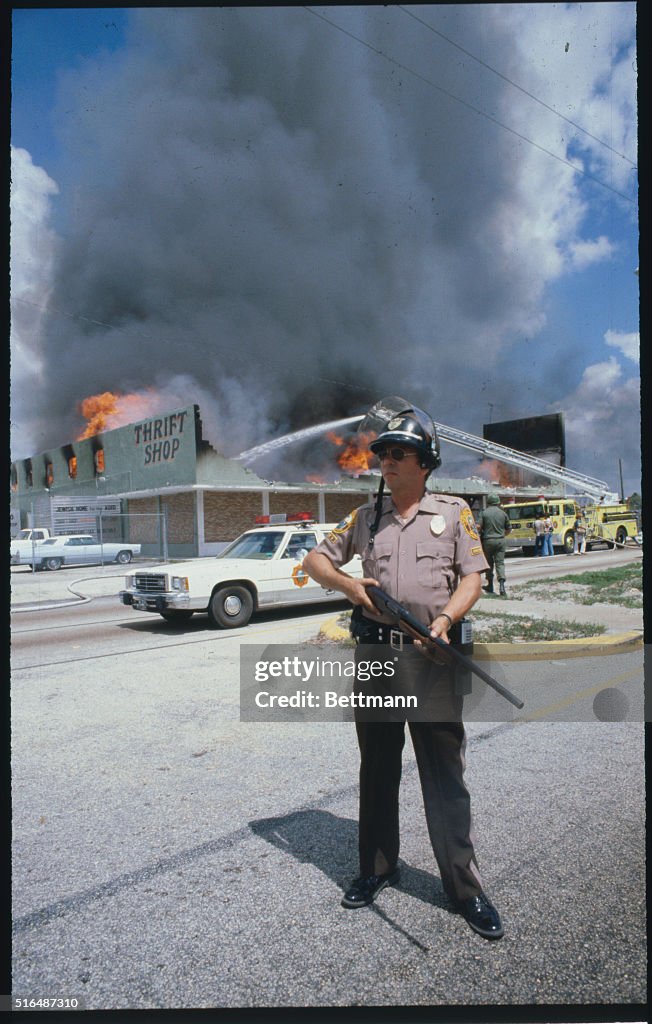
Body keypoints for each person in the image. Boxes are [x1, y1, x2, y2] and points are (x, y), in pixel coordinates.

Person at [303, 404, 504, 940]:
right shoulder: (366, 518)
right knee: (377, 770)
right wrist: (351, 587)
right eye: (383, 454)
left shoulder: (454, 511)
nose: (386, 462)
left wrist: (444, 619)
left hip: (433, 657)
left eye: (398, 454)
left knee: (444, 777)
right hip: (376, 659)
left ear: (425, 463)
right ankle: (376, 868)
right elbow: (314, 562)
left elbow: (473, 580)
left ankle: (465, 889)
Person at [478, 493, 511, 596]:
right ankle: (501, 586)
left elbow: (478, 526)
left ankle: (490, 585)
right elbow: (508, 529)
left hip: (488, 541)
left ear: (488, 502)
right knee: (500, 563)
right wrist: (502, 535)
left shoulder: (484, 513)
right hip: (501, 540)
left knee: (489, 564)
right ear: (498, 502)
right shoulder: (503, 513)